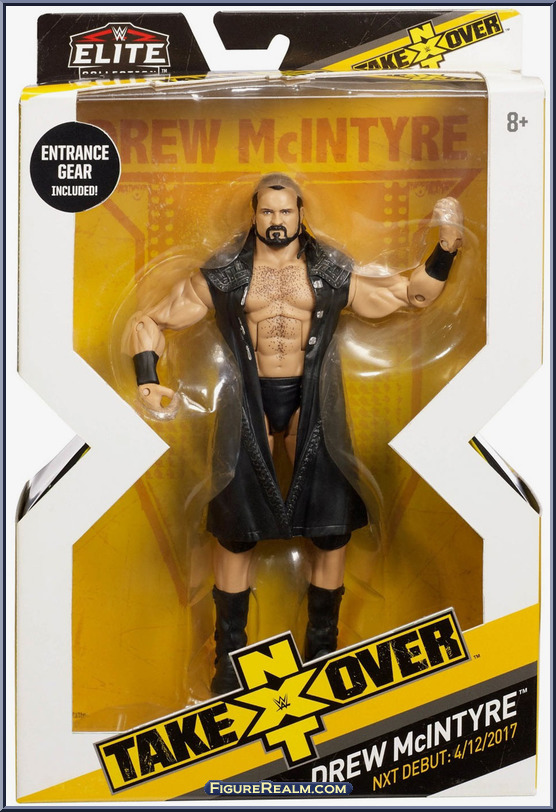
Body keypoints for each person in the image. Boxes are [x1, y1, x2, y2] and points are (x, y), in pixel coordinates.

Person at [125, 173, 463, 694]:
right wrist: (147, 378)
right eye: (267, 212)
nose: (276, 221)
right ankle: (227, 667)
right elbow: (149, 320)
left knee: (330, 528)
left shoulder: (328, 273)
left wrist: (446, 247)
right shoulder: (226, 276)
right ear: (254, 214)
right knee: (235, 530)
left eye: (285, 212)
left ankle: (323, 653)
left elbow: (410, 294)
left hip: (313, 400)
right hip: (248, 399)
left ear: (301, 213)